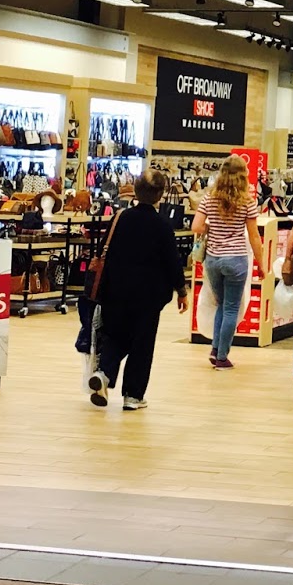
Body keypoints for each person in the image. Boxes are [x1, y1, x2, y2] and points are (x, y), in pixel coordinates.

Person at [88, 169, 187, 409]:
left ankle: (104, 373)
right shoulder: (162, 225)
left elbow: (103, 249)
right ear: (160, 195)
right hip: (148, 295)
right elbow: (172, 261)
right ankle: (133, 395)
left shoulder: (120, 218)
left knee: (115, 335)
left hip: (115, 289)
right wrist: (181, 290)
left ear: (136, 190)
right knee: (142, 342)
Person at [193, 153, 262, 369]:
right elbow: (254, 236)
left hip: (213, 259)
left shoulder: (209, 198)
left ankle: (215, 349)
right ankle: (222, 357)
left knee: (221, 305)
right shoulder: (247, 202)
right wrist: (262, 265)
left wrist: (211, 227)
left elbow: (196, 226)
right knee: (231, 308)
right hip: (236, 260)